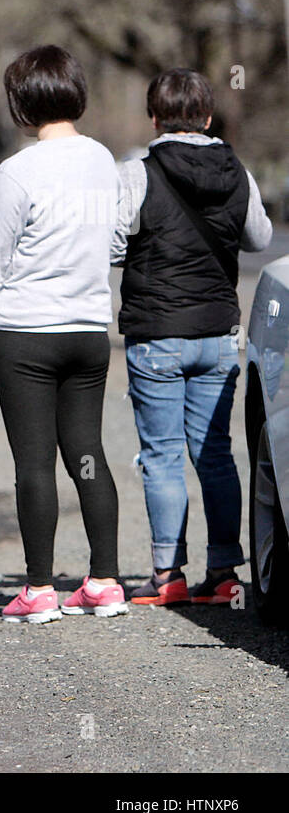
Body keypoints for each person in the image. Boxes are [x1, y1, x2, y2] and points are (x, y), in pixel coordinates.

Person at [0, 44, 128, 623]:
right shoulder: (105, 161)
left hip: (28, 333)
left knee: (34, 462)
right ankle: (104, 581)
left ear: (21, 104)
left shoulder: (17, 170)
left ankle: (38, 590)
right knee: (87, 453)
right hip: (87, 330)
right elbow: (113, 243)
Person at [110, 69, 272, 605]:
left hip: (156, 333)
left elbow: (112, 245)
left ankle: (168, 575)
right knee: (217, 454)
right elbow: (260, 237)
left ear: (154, 118)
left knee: (161, 455)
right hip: (220, 334)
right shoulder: (236, 169)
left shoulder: (138, 172)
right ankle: (225, 572)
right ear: (207, 117)